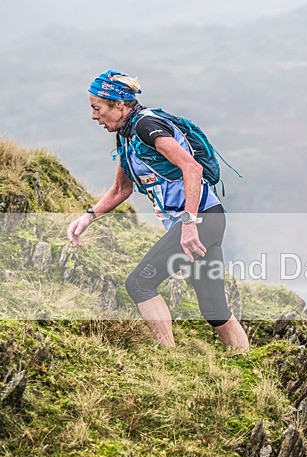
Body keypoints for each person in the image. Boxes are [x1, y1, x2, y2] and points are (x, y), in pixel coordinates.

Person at [67, 69, 249, 350]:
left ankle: (168, 356)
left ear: (119, 104)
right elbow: (121, 189)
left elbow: (191, 167)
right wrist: (88, 217)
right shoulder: (126, 136)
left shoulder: (145, 126)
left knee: (139, 284)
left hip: (199, 220)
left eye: (97, 108)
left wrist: (188, 224)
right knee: (214, 309)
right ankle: (244, 362)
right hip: (208, 218)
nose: (94, 116)